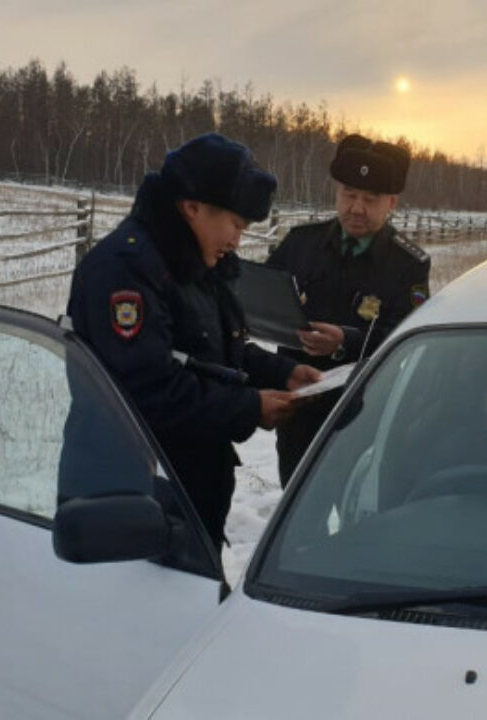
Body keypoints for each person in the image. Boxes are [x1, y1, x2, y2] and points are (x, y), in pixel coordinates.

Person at [64, 133, 320, 549]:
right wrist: (248, 407)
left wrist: (283, 371)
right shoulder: (127, 270)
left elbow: (210, 349)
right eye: (236, 225)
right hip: (131, 500)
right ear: (192, 207)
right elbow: (146, 392)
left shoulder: (194, 260)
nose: (238, 240)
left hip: (187, 492)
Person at [266, 134, 431, 487]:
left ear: (391, 203)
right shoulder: (301, 243)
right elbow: (262, 297)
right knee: (296, 502)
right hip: (300, 404)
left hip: (364, 408)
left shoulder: (408, 265)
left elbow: (409, 335)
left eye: (370, 199)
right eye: (349, 195)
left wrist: (346, 341)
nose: (357, 208)